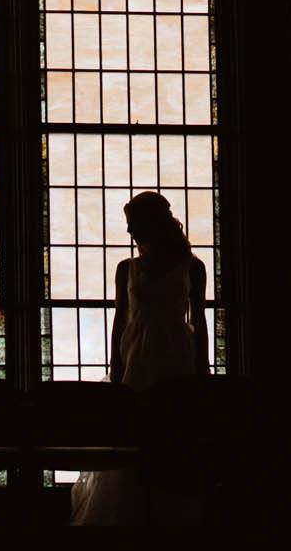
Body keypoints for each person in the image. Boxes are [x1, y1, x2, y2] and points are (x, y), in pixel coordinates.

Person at [69, 191, 211, 526]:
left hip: (177, 353)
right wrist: (115, 365)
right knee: (134, 433)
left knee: (174, 431)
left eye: (134, 223)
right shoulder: (126, 269)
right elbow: (120, 320)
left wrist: (202, 367)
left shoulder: (193, 266)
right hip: (137, 354)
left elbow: (200, 320)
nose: (130, 231)